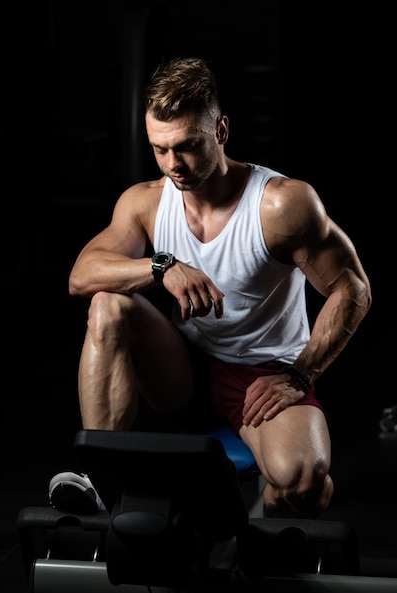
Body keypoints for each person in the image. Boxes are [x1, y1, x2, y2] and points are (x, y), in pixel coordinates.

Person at [49, 56, 371, 519]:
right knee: (107, 305)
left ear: (220, 131)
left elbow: (353, 289)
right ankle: (100, 480)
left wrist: (301, 375)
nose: (172, 164)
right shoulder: (147, 202)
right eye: (159, 149)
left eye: (186, 146)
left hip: (261, 375)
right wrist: (161, 266)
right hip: (180, 369)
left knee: (302, 482)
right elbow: (82, 276)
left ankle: (270, 502)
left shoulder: (281, 205)